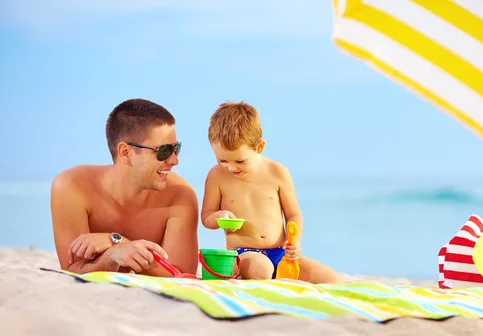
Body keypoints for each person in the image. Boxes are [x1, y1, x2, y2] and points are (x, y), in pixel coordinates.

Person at [50, 99, 199, 277]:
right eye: (164, 151)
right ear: (125, 153)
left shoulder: (180, 196)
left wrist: (118, 242)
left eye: (176, 149)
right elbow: (71, 269)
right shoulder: (72, 187)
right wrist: (114, 255)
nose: (174, 160)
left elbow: (182, 277)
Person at [200, 101, 343, 284]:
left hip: (281, 254)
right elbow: (206, 217)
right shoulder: (216, 176)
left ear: (259, 147)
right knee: (261, 269)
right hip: (243, 254)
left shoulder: (277, 172)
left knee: (332, 280)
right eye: (222, 160)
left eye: (240, 161)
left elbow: (293, 215)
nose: (230, 167)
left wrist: (295, 242)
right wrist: (219, 216)